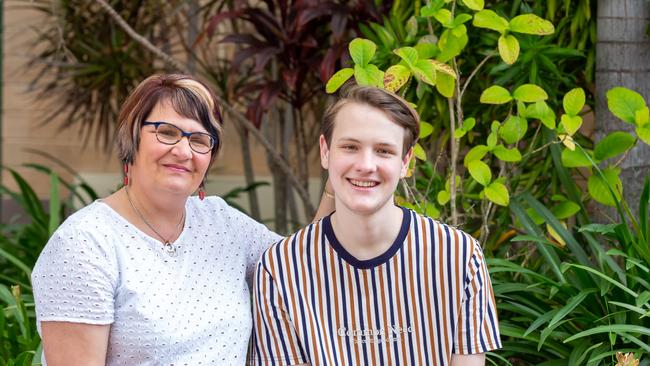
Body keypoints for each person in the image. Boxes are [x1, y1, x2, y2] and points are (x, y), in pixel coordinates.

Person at [31, 74, 332, 365]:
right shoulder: (84, 244)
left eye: (200, 139)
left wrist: (338, 185)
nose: (183, 150)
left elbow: (304, 266)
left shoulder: (223, 223)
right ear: (132, 137)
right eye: (167, 132)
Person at [251, 84, 502, 366]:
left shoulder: (458, 257)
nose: (366, 164)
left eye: (383, 151)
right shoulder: (281, 268)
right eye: (350, 147)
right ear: (325, 151)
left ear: (406, 162)